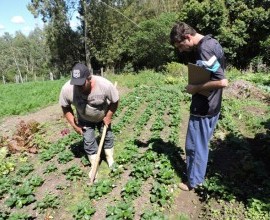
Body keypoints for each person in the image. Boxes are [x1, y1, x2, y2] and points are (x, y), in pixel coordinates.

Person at [170, 22, 228, 191]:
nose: (181, 50)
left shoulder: (204, 49)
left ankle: (194, 182)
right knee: (201, 144)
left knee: (193, 145)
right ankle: (198, 176)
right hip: (213, 105)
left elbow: (222, 81)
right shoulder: (212, 42)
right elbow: (216, 72)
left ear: (187, 37)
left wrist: (195, 88)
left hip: (204, 107)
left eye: (181, 45)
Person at [59, 63, 119, 180]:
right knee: (88, 141)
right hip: (84, 119)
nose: (78, 87)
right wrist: (74, 125)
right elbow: (65, 107)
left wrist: (109, 116)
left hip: (103, 116)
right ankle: (94, 164)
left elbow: (115, 101)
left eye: (81, 84)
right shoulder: (67, 89)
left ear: (89, 78)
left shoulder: (104, 85)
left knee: (107, 136)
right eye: (76, 84)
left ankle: (110, 159)